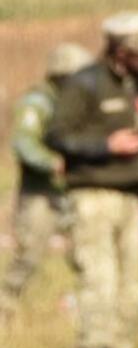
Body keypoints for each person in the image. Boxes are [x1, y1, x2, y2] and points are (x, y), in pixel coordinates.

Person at [46, 10, 138, 348]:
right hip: (92, 195)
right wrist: (106, 146)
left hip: (130, 197)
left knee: (130, 283)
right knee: (99, 278)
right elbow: (56, 135)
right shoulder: (85, 83)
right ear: (120, 51)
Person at [0, 42, 94, 324]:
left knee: (87, 258)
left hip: (74, 192)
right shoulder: (38, 102)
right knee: (27, 259)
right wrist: (52, 162)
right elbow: (23, 143)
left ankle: (89, 320)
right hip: (40, 194)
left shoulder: (77, 104)